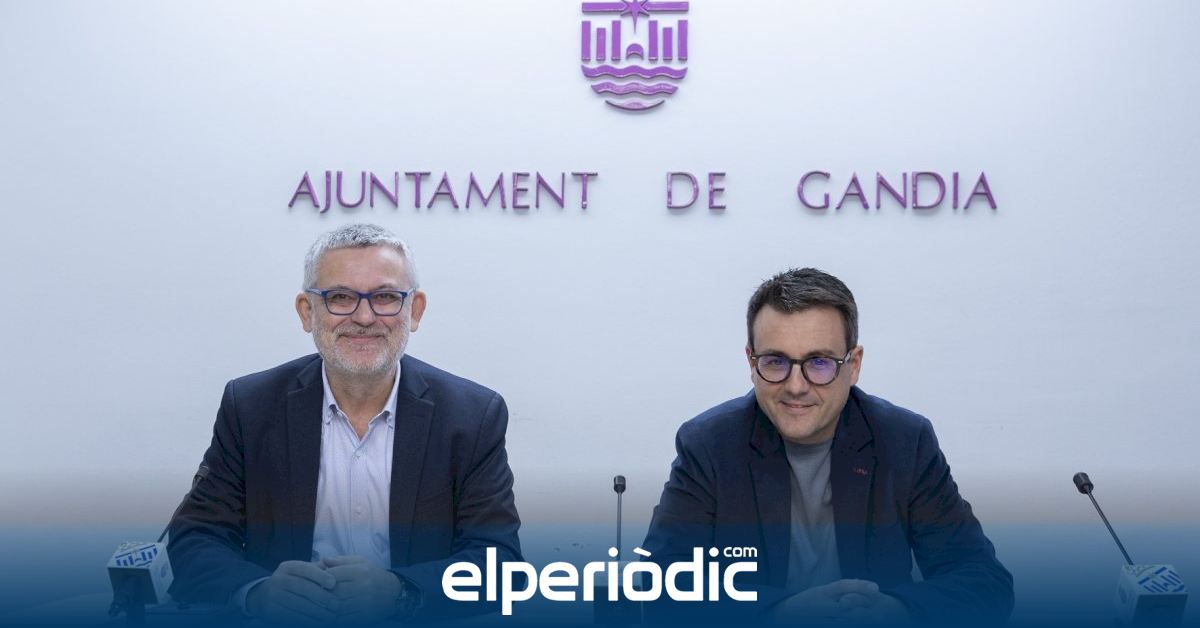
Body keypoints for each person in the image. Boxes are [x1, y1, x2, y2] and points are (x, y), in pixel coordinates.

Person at [168, 224, 521, 623]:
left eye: (385, 297)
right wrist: (258, 593)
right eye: (340, 297)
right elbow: (196, 538)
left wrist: (402, 592)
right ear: (307, 311)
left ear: (415, 310)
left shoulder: (472, 415)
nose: (364, 317)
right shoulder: (250, 407)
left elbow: (501, 565)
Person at [642, 268, 1013, 623]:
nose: (796, 386)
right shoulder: (709, 445)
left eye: (819, 362)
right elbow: (661, 586)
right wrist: (779, 614)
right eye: (776, 361)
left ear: (854, 365)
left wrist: (899, 611)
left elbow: (984, 581)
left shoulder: (904, 441)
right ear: (751, 363)